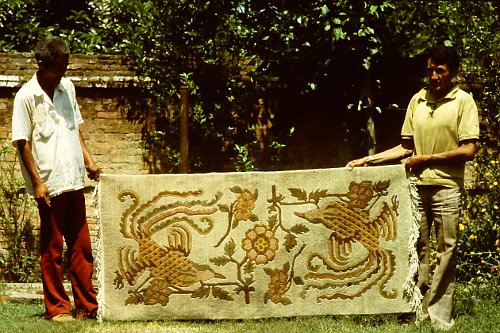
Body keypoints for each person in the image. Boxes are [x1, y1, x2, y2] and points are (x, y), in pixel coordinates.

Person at [346, 45, 479, 330]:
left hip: (446, 187)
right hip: (416, 187)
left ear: (454, 73)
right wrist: (368, 160)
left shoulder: (463, 101)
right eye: (430, 70)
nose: (433, 76)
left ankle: (440, 317)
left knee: (446, 250)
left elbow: (469, 149)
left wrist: (429, 158)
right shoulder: (417, 100)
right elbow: (406, 147)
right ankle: (418, 310)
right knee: (416, 248)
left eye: (440, 71)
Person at [11, 36, 100, 322]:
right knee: (52, 250)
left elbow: (76, 127)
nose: (62, 73)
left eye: (65, 67)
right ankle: (58, 308)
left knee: (82, 247)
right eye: (57, 68)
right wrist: (36, 182)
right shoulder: (26, 96)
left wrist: (88, 159)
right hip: (49, 183)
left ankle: (87, 307)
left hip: (73, 179)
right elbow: (21, 142)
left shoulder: (68, 89)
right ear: (40, 63)